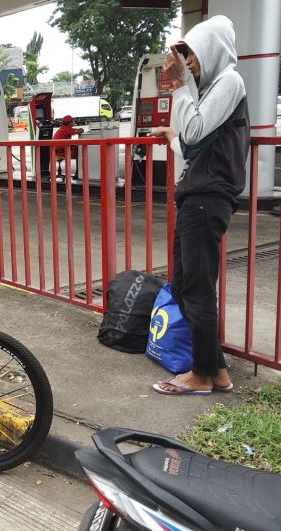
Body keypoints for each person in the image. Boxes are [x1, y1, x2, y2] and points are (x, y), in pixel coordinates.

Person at [149, 15, 249, 396]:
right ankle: (217, 372)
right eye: (186, 58)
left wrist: (177, 85)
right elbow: (193, 142)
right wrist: (173, 135)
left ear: (212, 51)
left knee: (197, 288)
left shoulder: (229, 81)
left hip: (207, 200)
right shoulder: (213, 89)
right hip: (199, 197)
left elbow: (194, 131)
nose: (189, 64)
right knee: (188, 282)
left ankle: (202, 375)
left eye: (193, 57)